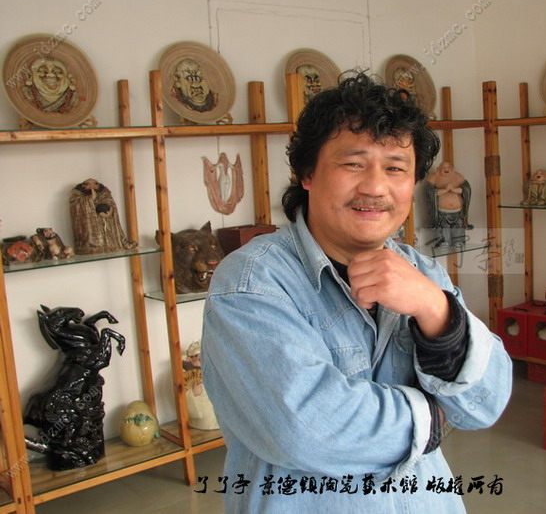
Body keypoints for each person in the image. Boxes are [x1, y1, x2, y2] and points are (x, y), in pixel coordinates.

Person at [201, 71, 512, 513]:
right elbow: (304, 429)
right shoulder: (252, 282)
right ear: (307, 173)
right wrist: (433, 418)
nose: (375, 187)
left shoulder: (421, 271)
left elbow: (488, 402)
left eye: (395, 168)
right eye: (353, 164)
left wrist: (434, 308)